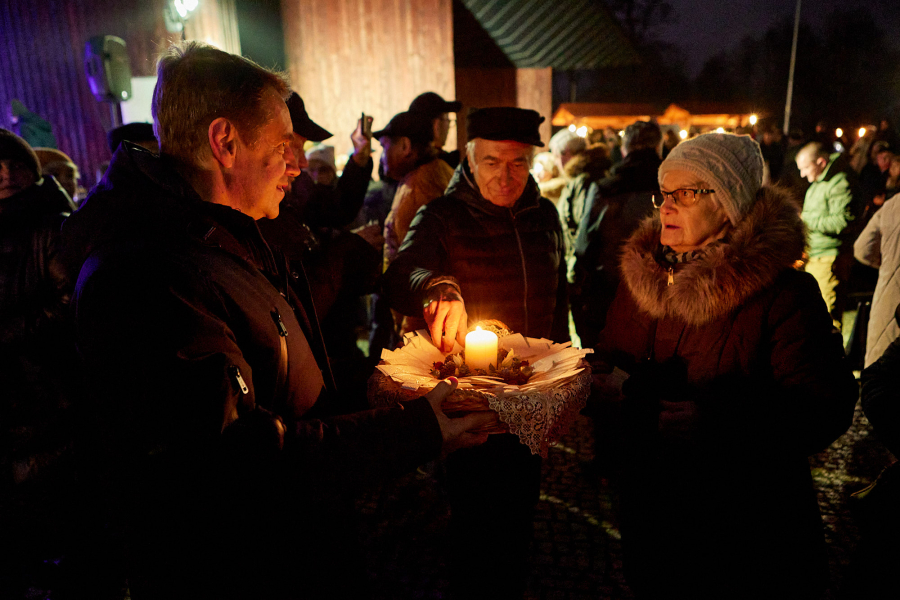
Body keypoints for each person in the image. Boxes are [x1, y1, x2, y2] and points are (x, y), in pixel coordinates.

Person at [61, 42, 491, 600]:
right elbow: (240, 461)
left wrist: (397, 393)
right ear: (225, 142)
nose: (297, 163)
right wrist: (416, 429)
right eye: (283, 145)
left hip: (295, 547)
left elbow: (290, 380)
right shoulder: (145, 276)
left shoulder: (233, 235)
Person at [594, 133, 857, 599]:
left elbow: (825, 407)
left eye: (687, 193)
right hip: (651, 515)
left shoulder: (782, 295)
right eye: (664, 193)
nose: (667, 207)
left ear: (730, 202)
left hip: (747, 532)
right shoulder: (639, 282)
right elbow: (610, 360)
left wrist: (721, 420)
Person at [385, 106, 568, 599]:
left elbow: (560, 297)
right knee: (474, 523)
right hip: (471, 407)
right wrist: (435, 286)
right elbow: (400, 278)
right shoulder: (442, 215)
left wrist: (565, 374)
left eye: (517, 163)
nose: (505, 176)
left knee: (520, 516)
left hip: (530, 402)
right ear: (469, 157)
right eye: (492, 162)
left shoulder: (545, 216)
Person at [0, 128, 79, 596]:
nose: (6, 174)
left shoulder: (53, 226)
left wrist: (9, 335)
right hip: (11, 408)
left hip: (49, 401)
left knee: (61, 532)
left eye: (14, 164)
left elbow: (72, 301)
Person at [570, 120, 660, 348]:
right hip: (659, 291)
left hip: (609, 289)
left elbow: (584, 245)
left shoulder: (605, 188)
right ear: (659, 147)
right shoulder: (671, 190)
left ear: (624, 149)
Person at [796, 141, 860, 325]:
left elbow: (843, 221)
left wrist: (806, 219)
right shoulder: (820, 181)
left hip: (829, 258)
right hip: (817, 255)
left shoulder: (840, 182)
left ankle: (833, 353)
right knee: (815, 313)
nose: (802, 174)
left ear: (821, 163)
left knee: (828, 315)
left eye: (805, 168)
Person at [854, 191, 900, 367]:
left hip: (888, 299)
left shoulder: (892, 205)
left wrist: (887, 265)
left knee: (882, 369)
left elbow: (862, 248)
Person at [408, 91, 462, 168]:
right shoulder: (444, 167)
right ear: (436, 125)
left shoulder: (406, 166)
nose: (449, 126)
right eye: (447, 120)